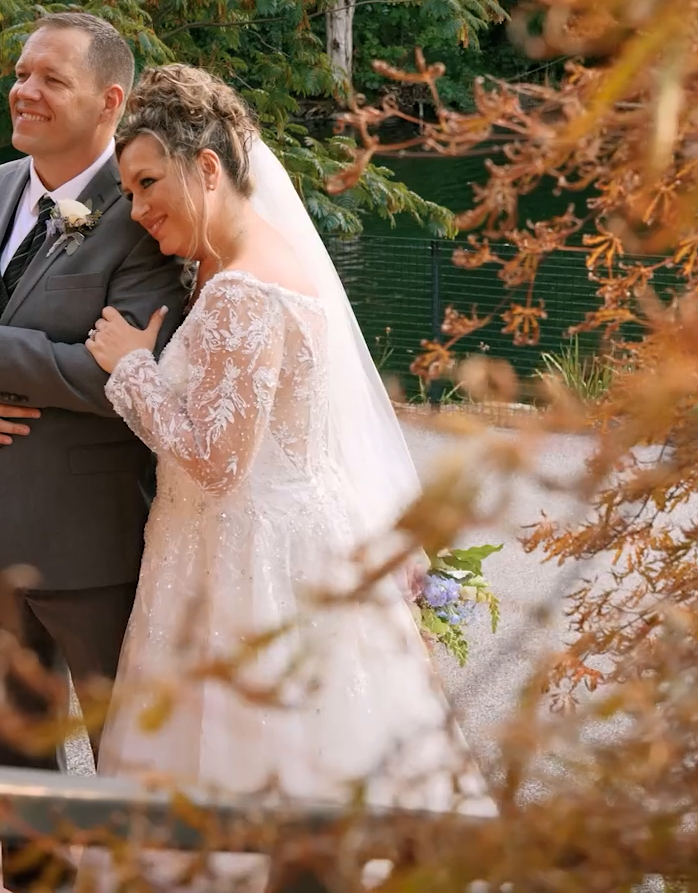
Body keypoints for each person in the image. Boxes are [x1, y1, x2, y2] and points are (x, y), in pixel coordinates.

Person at [78, 65, 494, 890]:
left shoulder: (242, 290)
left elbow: (217, 461)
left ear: (206, 167)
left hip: (249, 570)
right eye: (126, 190)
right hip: (283, 547)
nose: (136, 207)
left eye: (148, 181)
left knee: (261, 798)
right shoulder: (253, 266)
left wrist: (131, 371)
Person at [0, 12, 186, 890]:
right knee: (15, 763)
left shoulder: (146, 208)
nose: (23, 90)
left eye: (49, 79)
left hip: (95, 542)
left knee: (126, 760)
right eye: (21, 72)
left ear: (110, 100)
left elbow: (130, 377)